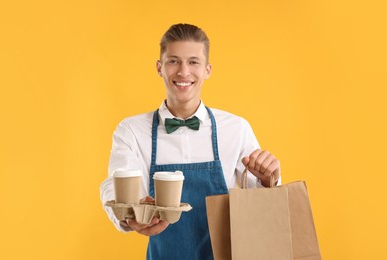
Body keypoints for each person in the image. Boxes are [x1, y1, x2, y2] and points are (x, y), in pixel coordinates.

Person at [100, 23, 281, 260]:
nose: (183, 72)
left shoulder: (236, 129)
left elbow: (259, 203)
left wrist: (270, 180)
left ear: (207, 70)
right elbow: (114, 184)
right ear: (159, 67)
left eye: (193, 62)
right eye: (173, 61)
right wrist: (128, 216)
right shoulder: (132, 130)